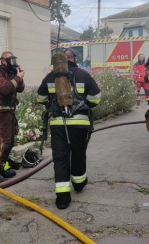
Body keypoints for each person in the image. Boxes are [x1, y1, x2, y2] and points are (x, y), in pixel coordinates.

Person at [37, 49, 101, 209]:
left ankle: (62, 198)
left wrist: (53, 105)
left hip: (58, 124)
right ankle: (79, 184)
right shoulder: (83, 74)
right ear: (74, 59)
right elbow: (96, 98)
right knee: (78, 154)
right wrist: (83, 106)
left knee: (60, 159)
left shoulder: (51, 77)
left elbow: (40, 98)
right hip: (80, 124)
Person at [0, 51, 25, 184]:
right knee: (1, 142)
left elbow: (19, 89)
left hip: (9, 112)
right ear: (3, 61)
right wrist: (17, 78)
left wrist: (18, 76)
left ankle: (3, 168)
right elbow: (5, 89)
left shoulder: (10, 73)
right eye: (11, 60)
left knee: (9, 141)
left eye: (14, 60)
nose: (13, 63)